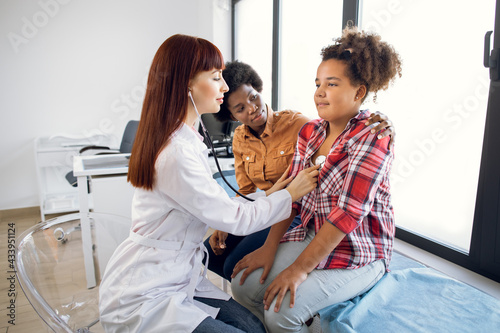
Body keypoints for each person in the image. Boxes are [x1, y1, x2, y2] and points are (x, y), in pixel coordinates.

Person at [98, 34, 320, 333]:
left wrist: (278, 192)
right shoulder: (176, 152)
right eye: (216, 78)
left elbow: (226, 203)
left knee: (253, 327)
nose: (225, 87)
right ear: (186, 84)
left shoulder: (185, 138)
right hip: (148, 289)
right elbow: (235, 213)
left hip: (176, 271)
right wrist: (288, 193)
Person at [230, 26, 402, 333]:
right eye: (318, 83)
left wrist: (298, 270)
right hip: (313, 233)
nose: (320, 92)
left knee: (281, 314)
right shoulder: (311, 132)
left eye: (332, 84)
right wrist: (269, 247)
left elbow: (347, 215)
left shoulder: (373, 137)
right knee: (243, 288)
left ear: (359, 92)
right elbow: (292, 196)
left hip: (361, 250)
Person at [203, 60, 396, 282]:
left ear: (258, 90)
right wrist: (226, 223)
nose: (252, 108)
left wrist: (384, 121)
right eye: (240, 109)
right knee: (210, 255)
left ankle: (251, 304)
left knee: (233, 265)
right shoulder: (239, 139)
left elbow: (337, 130)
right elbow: (245, 190)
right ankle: (248, 302)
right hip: (267, 207)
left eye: (253, 97)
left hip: (291, 210)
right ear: (232, 116)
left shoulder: (298, 124)